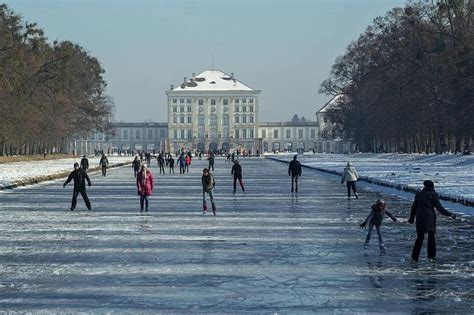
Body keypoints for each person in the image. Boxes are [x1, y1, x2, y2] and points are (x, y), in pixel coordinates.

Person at [408, 180, 456, 263]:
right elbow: (439, 207)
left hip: (420, 217)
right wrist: (450, 214)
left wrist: (411, 218)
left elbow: (414, 207)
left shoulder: (419, 194)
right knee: (431, 238)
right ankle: (431, 256)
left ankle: (414, 257)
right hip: (429, 217)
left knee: (419, 238)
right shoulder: (433, 194)